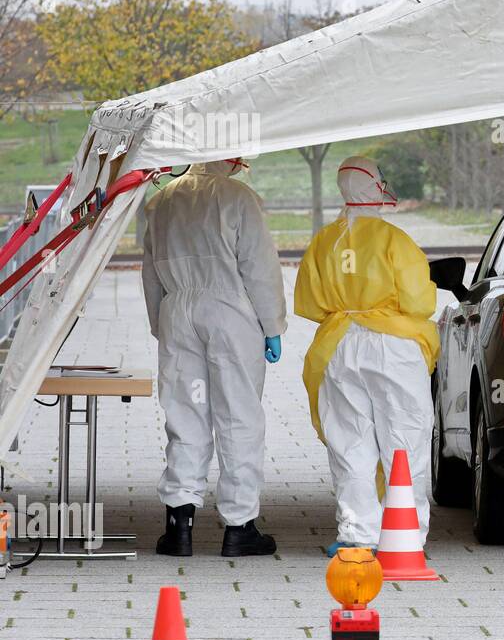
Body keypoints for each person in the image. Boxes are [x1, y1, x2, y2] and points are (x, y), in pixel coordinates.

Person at [294, 156, 439, 556]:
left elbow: (309, 302)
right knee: (404, 440)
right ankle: (406, 535)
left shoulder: (324, 240)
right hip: (394, 345)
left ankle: (357, 534)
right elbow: (418, 302)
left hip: (340, 344)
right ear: (377, 187)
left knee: (349, 442)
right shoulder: (396, 241)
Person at [143, 158, 285, 557]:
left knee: (185, 412)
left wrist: (161, 324)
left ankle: (178, 526)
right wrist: (271, 324)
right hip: (228, 312)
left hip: (177, 310)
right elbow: (259, 268)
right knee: (238, 414)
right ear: (229, 158)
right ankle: (240, 527)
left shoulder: (161, 202)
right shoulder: (237, 198)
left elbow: (150, 272)